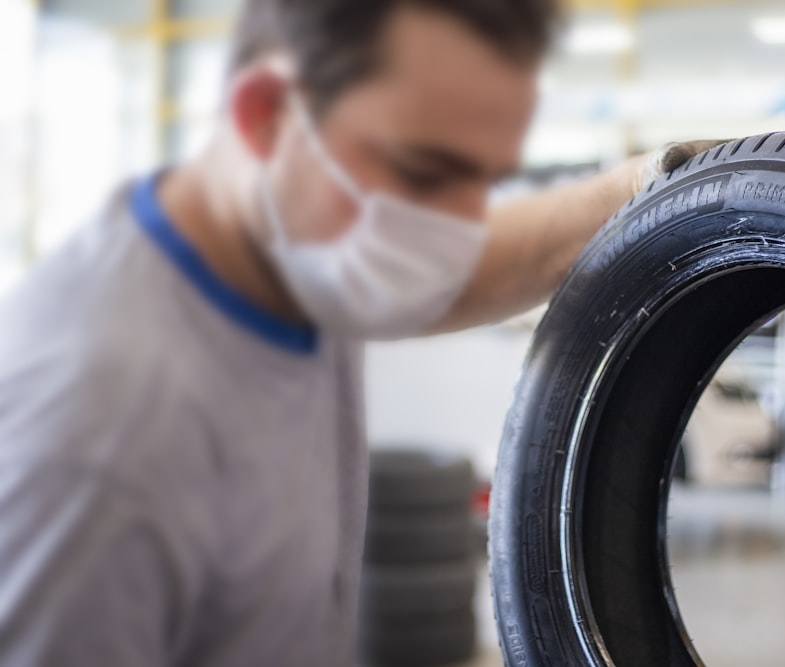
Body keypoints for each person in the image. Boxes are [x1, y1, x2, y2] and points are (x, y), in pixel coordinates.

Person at [0, 1, 720, 665]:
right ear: (266, 116)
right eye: (424, 170)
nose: (455, 220)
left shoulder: (299, 250)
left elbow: (486, 256)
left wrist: (648, 185)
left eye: (479, 176)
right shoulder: (98, 437)